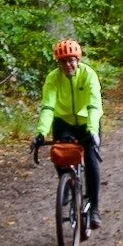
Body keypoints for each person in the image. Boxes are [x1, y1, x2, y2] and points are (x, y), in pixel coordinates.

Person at [31, 39, 103, 229]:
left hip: (87, 121)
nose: (68, 65)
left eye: (71, 60)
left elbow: (94, 105)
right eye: (63, 61)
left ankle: (94, 207)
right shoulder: (53, 78)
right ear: (58, 63)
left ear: (78, 60)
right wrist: (41, 132)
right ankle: (67, 184)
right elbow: (48, 106)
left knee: (91, 160)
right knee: (60, 154)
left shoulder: (89, 75)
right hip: (63, 122)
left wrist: (93, 131)